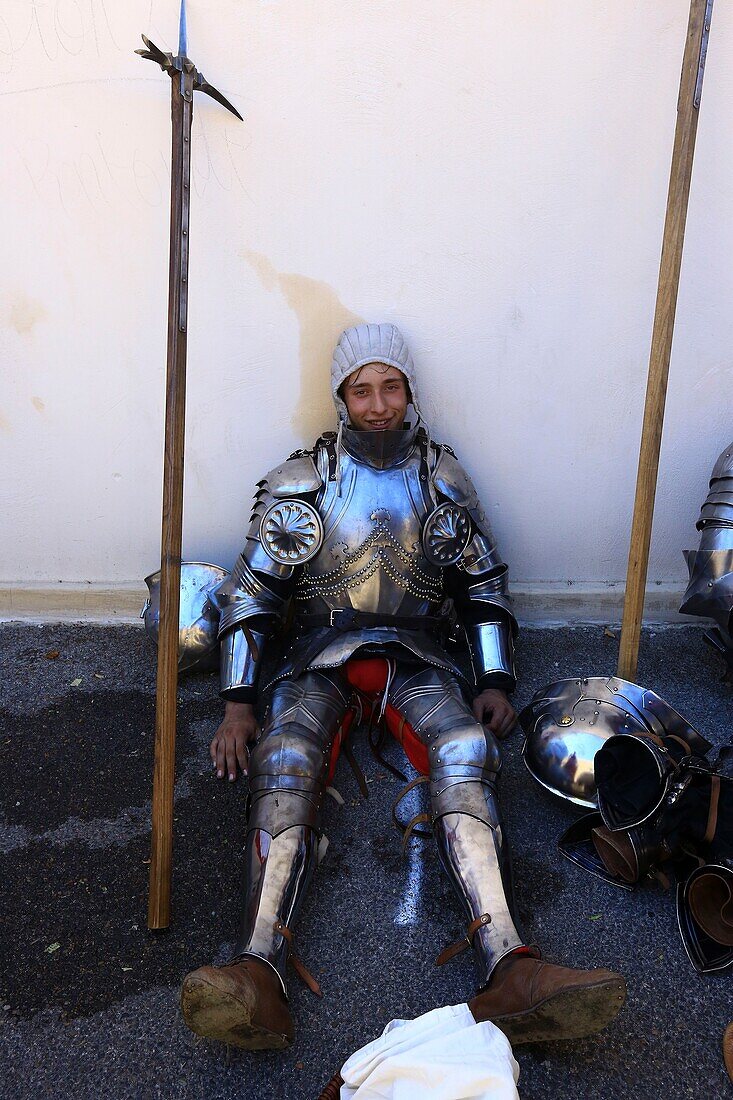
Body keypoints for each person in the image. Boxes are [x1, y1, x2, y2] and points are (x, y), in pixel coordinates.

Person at [180, 323, 625, 1050]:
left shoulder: (439, 478)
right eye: (363, 389)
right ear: (342, 397)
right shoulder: (304, 481)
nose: (379, 404)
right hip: (318, 653)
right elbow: (255, 593)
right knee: (286, 753)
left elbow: (481, 583)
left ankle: (510, 964)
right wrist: (237, 704)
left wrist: (494, 679)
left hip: (418, 653)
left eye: (391, 387)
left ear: (409, 392)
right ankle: (257, 968)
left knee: (464, 747)